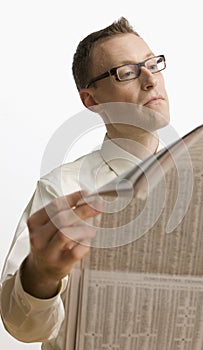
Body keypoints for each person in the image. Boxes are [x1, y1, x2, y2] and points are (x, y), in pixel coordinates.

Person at [0, 17, 170, 349]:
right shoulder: (60, 189)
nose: (151, 80)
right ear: (91, 100)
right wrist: (40, 276)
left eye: (152, 64)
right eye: (127, 72)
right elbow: (21, 327)